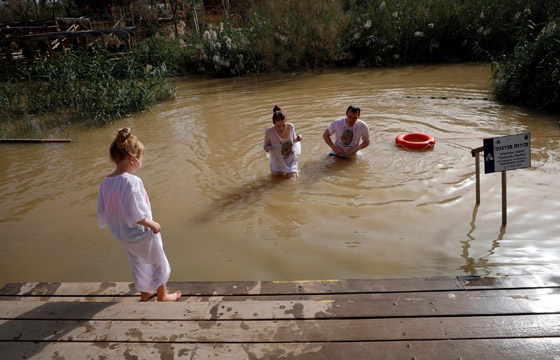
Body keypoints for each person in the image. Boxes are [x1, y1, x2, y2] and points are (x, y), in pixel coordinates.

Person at [97, 128, 181, 302]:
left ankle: (145, 292)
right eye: (141, 158)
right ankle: (162, 295)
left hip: (122, 234)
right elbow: (134, 212)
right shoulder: (132, 181)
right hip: (140, 232)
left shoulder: (107, 181)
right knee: (158, 260)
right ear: (132, 159)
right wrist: (152, 224)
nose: (141, 161)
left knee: (138, 262)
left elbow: (102, 208)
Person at [263, 105, 303, 179]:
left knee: (291, 182)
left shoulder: (291, 127)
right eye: (278, 126)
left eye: (283, 125)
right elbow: (265, 145)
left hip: (290, 159)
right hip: (277, 162)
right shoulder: (269, 131)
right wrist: (267, 148)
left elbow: (293, 140)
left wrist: (298, 138)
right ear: (274, 123)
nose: (281, 128)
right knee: (276, 185)